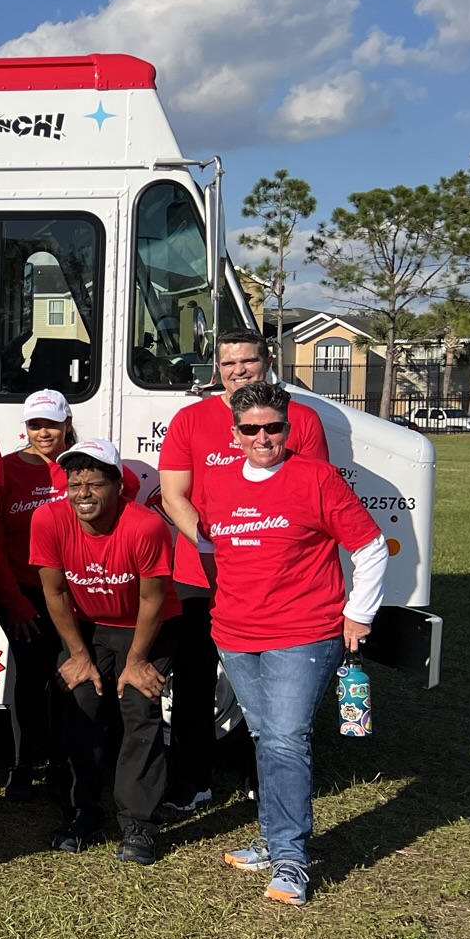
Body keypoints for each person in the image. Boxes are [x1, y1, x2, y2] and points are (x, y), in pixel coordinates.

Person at [198, 384, 384, 907]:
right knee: (265, 735)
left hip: (304, 632)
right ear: (235, 434)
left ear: (288, 428)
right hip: (235, 634)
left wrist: (358, 614)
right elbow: (212, 543)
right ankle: (273, 836)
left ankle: (290, 858)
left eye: (273, 427)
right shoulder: (217, 481)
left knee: (284, 738)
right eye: (251, 429)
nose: (263, 437)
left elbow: (369, 547)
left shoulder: (317, 478)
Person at [156, 329, 329, 816]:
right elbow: (174, 496)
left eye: (247, 361)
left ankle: (264, 778)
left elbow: (309, 495)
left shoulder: (302, 420)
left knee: (272, 683)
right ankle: (191, 782)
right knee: (191, 679)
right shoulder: (191, 419)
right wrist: (211, 543)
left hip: (275, 581)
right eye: (228, 363)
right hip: (198, 572)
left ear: (267, 360)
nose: (237, 371)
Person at [30, 439, 180, 863]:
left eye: (95, 484)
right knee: (81, 704)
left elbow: (153, 600)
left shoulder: (144, 525)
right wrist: (77, 655)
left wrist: (136, 662)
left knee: (138, 706)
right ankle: (81, 812)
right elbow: (55, 591)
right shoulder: (48, 519)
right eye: (75, 484)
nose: (83, 494)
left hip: (146, 628)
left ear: (118, 486)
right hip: (88, 628)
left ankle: (139, 823)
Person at [0, 390, 75, 802]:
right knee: (29, 679)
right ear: (25, 427)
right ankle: (23, 765)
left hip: (74, 594)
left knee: (69, 676)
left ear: (67, 423)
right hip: (24, 594)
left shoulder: (81, 466)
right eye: (36, 425)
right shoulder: (6, 470)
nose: (44, 433)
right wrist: (14, 601)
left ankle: (64, 764)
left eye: (52, 424)